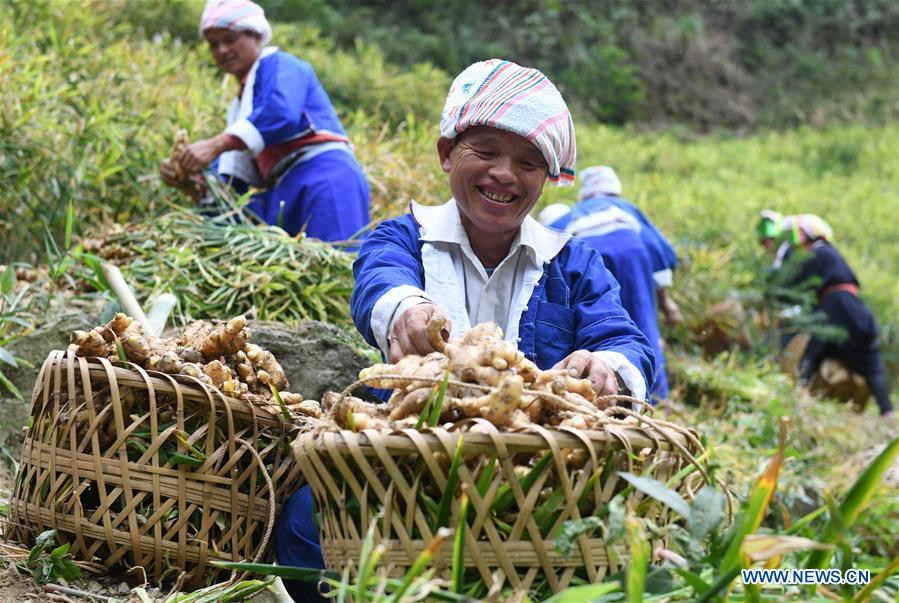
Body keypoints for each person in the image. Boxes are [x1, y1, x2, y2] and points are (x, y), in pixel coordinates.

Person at [274, 59, 656, 595]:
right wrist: (405, 309)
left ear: (546, 179)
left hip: (531, 483)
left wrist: (609, 368)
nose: (504, 174)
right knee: (309, 516)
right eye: (486, 151)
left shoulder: (573, 263)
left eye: (528, 162)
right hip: (405, 464)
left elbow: (623, 340)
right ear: (446, 153)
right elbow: (379, 281)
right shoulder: (403, 237)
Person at [158, 0, 370, 242]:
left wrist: (216, 144)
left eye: (229, 40)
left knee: (339, 259)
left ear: (257, 36)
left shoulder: (283, 65)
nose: (221, 51)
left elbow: (280, 112)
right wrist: (191, 180)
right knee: (306, 269)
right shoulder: (240, 108)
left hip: (323, 176)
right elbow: (232, 186)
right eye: (213, 44)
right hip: (284, 189)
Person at [538, 165, 680, 400]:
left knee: (600, 322)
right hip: (633, 255)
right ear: (615, 189)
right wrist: (665, 300)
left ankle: (598, 387)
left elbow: (546, 241)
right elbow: (659, 248)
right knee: (641, 322)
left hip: (589, 256)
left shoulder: (573, 212)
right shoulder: (626, 208)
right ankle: (655, 394)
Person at [757, 210, 894, 417]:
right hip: (853, 308)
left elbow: (791, 282)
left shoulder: (819, 252)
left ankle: (796, 396)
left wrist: (771, 283)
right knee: (870, 364)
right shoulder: (828, 254)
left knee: (813, 351)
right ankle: (888, 412)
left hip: (837, 304)